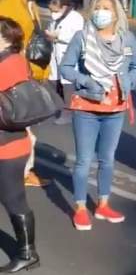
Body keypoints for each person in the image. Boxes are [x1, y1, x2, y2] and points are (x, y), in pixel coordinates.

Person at [60, 0, 136, 231]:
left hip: (116, 108)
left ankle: (103, 204)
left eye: (106, 9)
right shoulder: (82, 38)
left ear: (116, 14)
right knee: (84, 161)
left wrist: (128, 81)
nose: (100, 12)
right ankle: (80, 208)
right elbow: (66, 68)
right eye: (97, 8)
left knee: (107, 159)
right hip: (86, 107)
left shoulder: (127, 39)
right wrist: (87, 81)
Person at [0, 0, 49, 188]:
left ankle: (23, 170)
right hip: (18, 74)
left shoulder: (31, 5)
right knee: (23, 127)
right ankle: (22, 172)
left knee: (27, 126)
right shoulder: (8, 6)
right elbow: (8, 42)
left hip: (33, 70)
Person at [0, 17, 41, 272]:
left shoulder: (9, 63)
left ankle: (28, 253)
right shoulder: (12, 60)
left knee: (13, 199)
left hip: (8, 146)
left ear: (5, 38)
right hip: (12, 143)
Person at [46, 0, 85, 125]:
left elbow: (78, 37)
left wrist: (59, 37)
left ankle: (69, 112)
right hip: (55, 52)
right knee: (53, 80)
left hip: (68, 53)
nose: (53, 13)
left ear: (63, 7)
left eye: (55, 11)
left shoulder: (76, 18)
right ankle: (61, 107)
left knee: (67, 83)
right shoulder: (55, 18)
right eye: (51, 11)